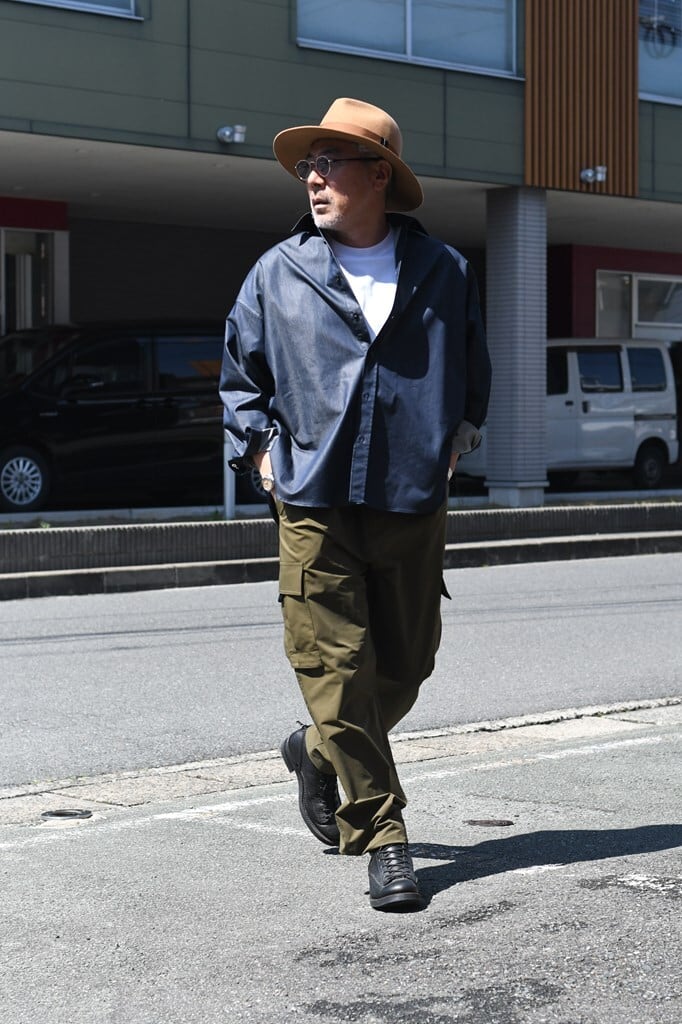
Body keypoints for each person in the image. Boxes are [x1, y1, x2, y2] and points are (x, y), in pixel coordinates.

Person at [219, 97, 491, 911]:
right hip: (313, 501)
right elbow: (240, 379)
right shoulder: (277, 272)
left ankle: (314, 750)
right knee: (337, 672)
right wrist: (261, 454)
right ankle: (384, 836)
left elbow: (472, 372)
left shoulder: (444, 270)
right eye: (309, 165)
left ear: (379, 175)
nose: (313, 177)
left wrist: (457, 439)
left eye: (330, 162)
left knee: (405, 666)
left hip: (411, 498)